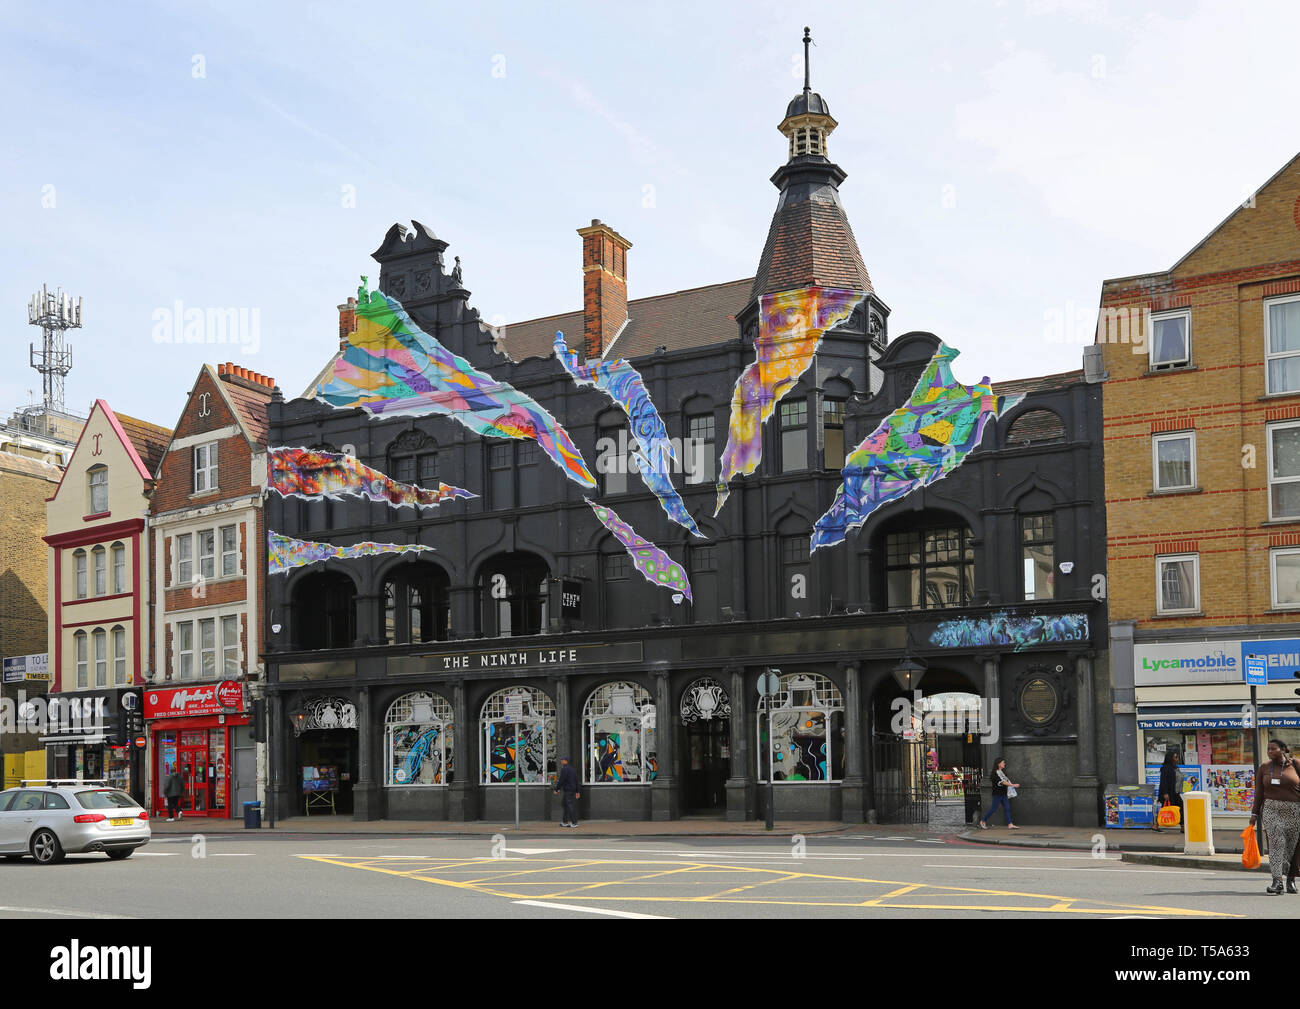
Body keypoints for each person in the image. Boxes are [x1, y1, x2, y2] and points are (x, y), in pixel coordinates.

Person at [1249, 739, 1300, 894]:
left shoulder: (1296, 765)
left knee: (1292, 848)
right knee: (1276, 844)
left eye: (1273, 749)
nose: (1270, 751)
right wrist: (1254, 813)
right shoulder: (1264, 767)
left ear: (1283, 749)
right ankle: (1277, 881)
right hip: (1271, 810)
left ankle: (1290, 879)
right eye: (1268, 749)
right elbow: (1259, 793)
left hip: (1294, 811)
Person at [978, 757, 1019, 829]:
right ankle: (983, 821)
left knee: (1007, 808)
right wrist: (1013, 785)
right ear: (998, 764)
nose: (1004, 764)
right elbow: (1002, 782)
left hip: (1004, 794)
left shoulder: (1002, 772)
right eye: (1003, 762)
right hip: (997, 794)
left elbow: (1006, 781)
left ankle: (1010, 824)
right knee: (993, 809)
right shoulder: (994, 773)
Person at [1154, 749, 1184, 833]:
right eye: (1175, 757)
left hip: (1175, 792)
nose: (1177, 759)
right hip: (1169, 793)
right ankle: (1156, 825)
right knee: (1166, 809)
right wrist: (1165, 793)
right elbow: (1163, 782)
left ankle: (1183, 826)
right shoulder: (1166, 768)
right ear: (1170, 758)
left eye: (1177, 757)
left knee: (1181, 808)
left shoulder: (1176, 768)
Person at [553, 756, 581, 828]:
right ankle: (565, 822)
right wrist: (577, 791)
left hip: (568, 790)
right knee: (565, 805)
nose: (561, 761)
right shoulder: (572, 769)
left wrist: (557, 789)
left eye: (562, 760)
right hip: (572, 789)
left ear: (566, 761)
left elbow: (562, 780)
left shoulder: (564, 769)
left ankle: (574, 822)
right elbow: (576, 780)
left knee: (569, 805)